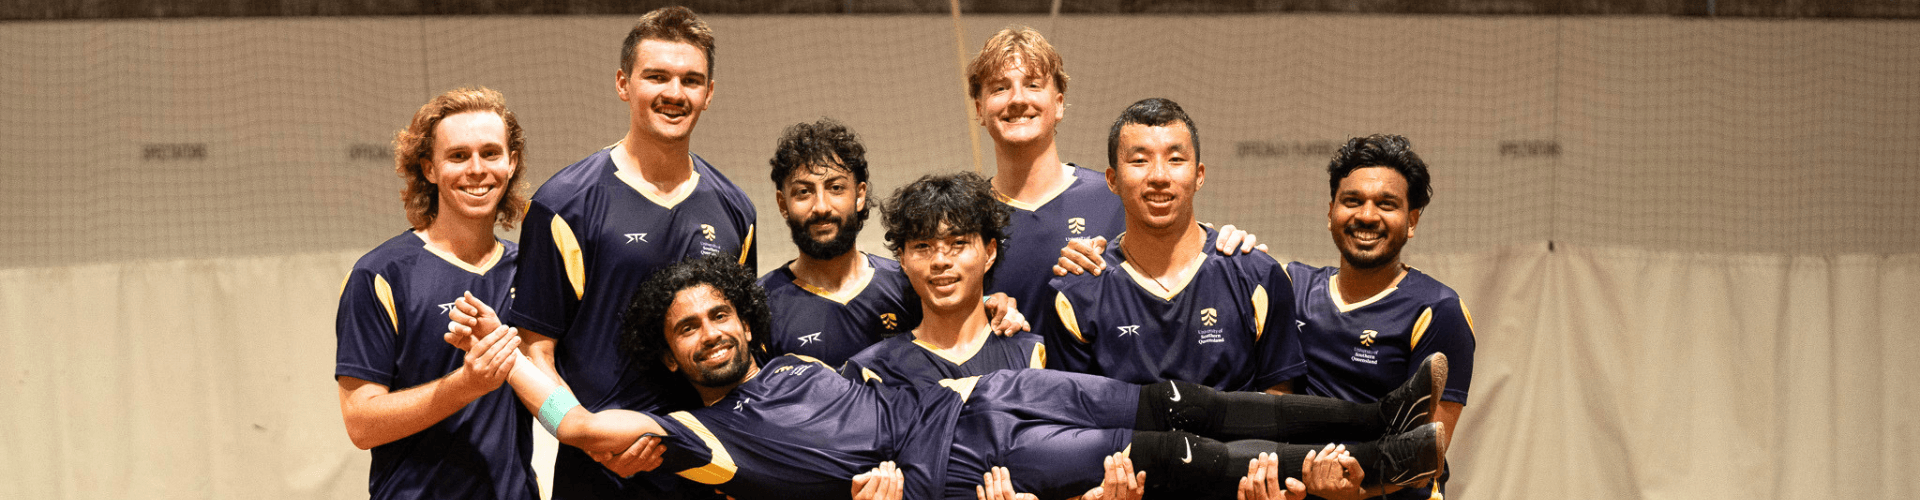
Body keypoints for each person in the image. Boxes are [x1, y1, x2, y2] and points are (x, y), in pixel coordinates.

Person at [449, 249, 1451, 500]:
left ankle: (1383, 416)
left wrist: (1002, 309)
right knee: (1181, 452)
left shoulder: (801, 353)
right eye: (687, 328)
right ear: (668, 354)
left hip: (1000, 389)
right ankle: (1387, 470)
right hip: (974, 456)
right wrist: (506, 359)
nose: (709, 330)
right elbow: (578, 426)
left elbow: (913, 304)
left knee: (1192, 396)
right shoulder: (700, 439)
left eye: (717, 311)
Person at [503, 6, 757, 499]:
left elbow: (742, 346)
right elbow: (534, 352)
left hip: (708, 473)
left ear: (709, 94)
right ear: (624, 83)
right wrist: (584, 435)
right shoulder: (564, 204)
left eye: (691, 80)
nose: (674, 93)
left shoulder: (735, 209)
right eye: (656, 77)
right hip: (599, 477)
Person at [965, 27, 1262, 323]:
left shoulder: (1118, 195)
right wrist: (986, 304)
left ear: (1058, 104)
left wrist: (1231, 249)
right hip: (1003, 371)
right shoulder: (964, 215)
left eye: (1032, 85)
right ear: (980, 108)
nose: (1017, 99)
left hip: (1106, 371)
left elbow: (1187, 265)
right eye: (1000, 88)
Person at [334, 87, 537, 499]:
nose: (477, 169)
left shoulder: (533, 270)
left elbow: (557, 393)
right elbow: (361, 424)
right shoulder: (380, 274)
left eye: (491, 153)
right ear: (429, 169)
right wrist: (467, 384)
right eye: (458, 156)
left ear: (511, 163)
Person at [1036, 98, 1304, 395]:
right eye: (1139, 161)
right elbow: (1076, 417)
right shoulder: (1075, 293)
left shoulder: (1257, 276)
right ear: (1112, 179)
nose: (1159, 177)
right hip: (1124, 444)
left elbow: (1279, 410)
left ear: (1199, 175)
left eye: (1175, 159)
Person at [1287, 134, 1476, 500]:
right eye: (1352, 201)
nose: (1367, 215)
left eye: (1386, 204)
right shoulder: (1292, 287)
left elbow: (1425, 455)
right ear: (1330, 213)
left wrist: (1354, 493)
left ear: (1412, 220)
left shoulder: (1438, 309)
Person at [757, 120, 1026, 367]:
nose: (821, 206)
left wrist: (994, 305)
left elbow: (961, 318)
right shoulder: (761, 305)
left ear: (860, 195)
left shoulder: (909, 283)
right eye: (803, 192)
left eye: (835, 188)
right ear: (783, 204)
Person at [844, 172, 1046, 388]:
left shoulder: (1031, 354)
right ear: (902, 259)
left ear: (989, 252)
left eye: (958, 243)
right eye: (922, 246)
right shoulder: (871, 372)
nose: (940, 260)